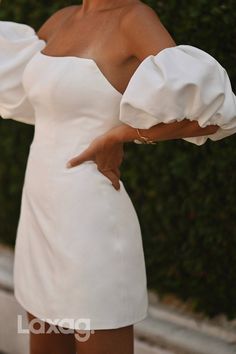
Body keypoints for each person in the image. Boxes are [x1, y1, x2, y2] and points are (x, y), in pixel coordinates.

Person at [0, 1, 235, 353]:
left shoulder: (133, 18)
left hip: (91, 223)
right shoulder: (62, 19)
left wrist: (124, 134)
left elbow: (214, 112)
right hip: (39, 213)